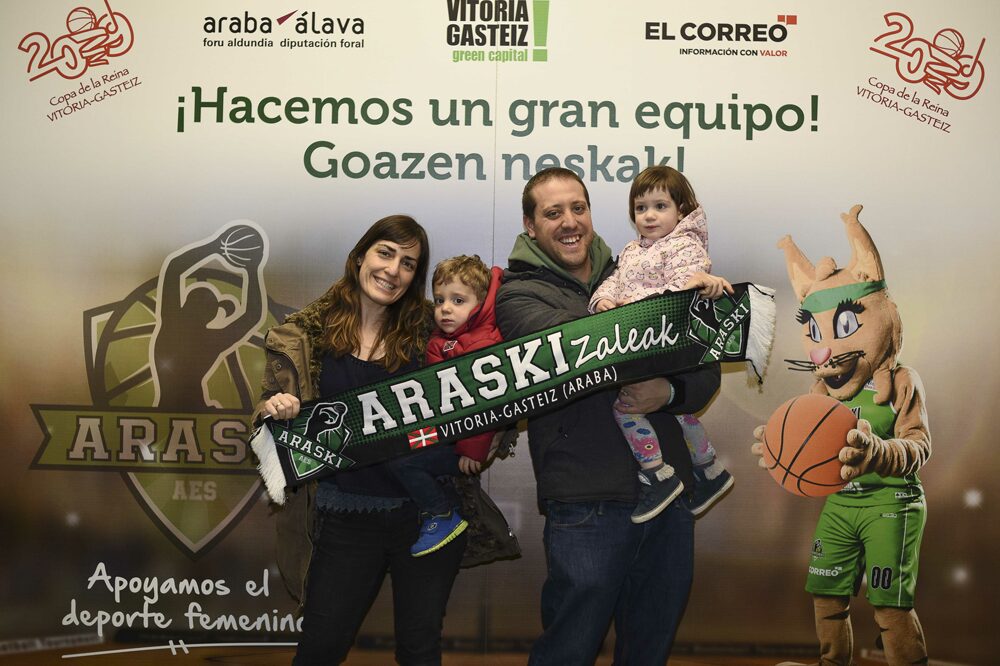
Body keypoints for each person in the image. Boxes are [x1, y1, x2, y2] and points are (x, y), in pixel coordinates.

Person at [252, 215, 515, 665]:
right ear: (360, 257)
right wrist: (274, 410)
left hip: (427, 518)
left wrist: (491, 437)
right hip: (343, 518)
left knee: (419, 651)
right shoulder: (304, 337)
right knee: (319, 649)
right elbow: (260, 419)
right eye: (386, 253)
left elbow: (497, 379)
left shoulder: (435, 332)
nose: (394, 270)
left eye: (409, 263)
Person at [495, 167, 730, 665]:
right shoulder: (519, 295)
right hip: (586, 499)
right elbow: (584, 348)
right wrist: (663, 317)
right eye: (553, 212)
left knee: (649, 649)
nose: (569, 221)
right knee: (569, 649)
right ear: (530, 225)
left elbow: (706, 370)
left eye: (578, 208)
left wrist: (666, 390)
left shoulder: (638, 264)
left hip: (669, 493)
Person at [589, 166, 734, 523]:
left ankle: (657, 473)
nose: (649, 215)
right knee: (678, 410)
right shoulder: (632, 250)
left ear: (681, 210)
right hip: (642, 340)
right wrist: (603, 301)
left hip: (666, 342)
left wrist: (703, 283)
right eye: (641, 208)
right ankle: (710, 469)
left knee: (626, 408)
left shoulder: (685, 245)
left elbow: (685, 285)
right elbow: (615, 281)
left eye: (660, 206)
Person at [388, 255, 505, 557]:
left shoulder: (482, 343)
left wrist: (474, 450)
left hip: (464, 446)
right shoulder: (442, 340)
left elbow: (488, 402)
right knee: (399, 451)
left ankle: (440, 514)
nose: (445, 309)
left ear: (479, 305)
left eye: (457, 300)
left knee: (404, 462)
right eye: (439, 300)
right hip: (444, 434)